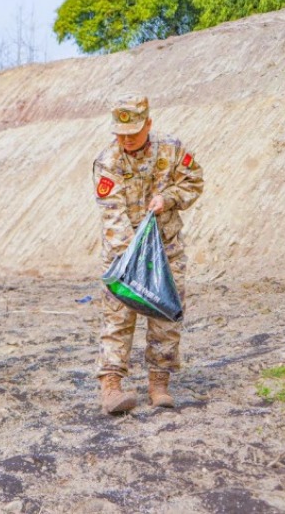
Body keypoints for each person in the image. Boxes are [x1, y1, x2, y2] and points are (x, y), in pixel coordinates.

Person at [92, 94, 204, 414]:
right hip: (123, 255)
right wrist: (132, 259)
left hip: (166, 251)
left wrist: (168, 198)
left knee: (166, 317)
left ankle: (159, 383)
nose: (126, 140)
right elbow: (112, 215)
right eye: (120, 134)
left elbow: (193, 182)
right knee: (118, 317)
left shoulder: (171, 149)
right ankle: (111, 386)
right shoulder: (107, 161)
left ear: (149, 125)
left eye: (133, 133)